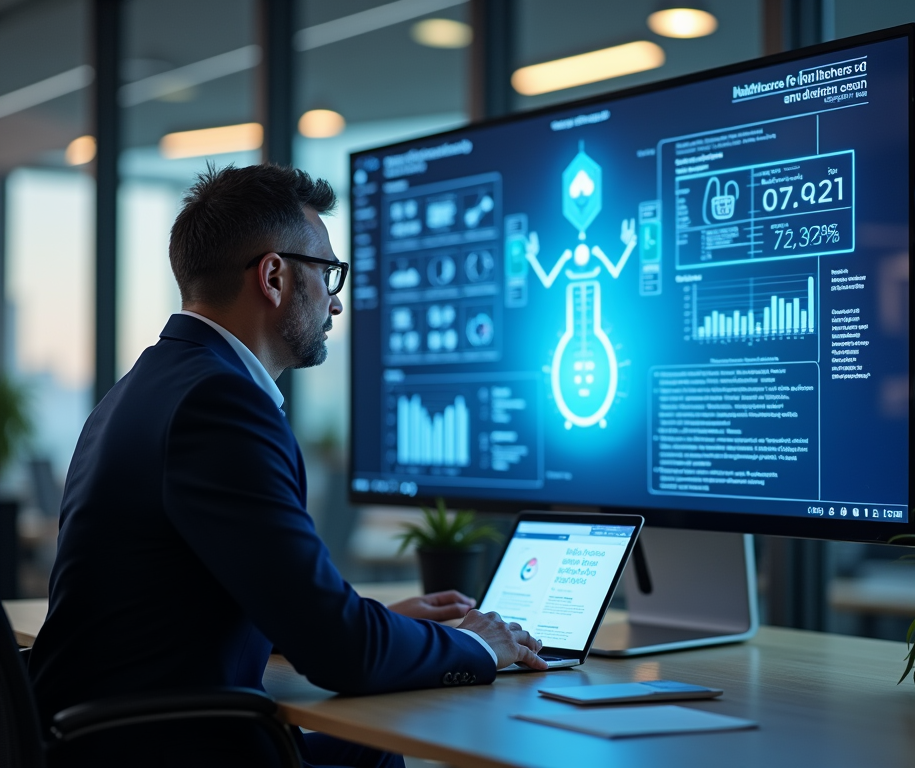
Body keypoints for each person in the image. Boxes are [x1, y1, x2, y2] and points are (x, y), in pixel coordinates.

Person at [29, 164, 546, 768]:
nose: (337, 299)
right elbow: (339, 654)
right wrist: (471, 645)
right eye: (326, 272)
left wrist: (369, 621)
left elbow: (208, 593)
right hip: (160, 750)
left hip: (100, 740)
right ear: (273, 276)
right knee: (384, 750)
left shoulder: (146, 385)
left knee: (369, 749)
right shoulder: (219, 406)